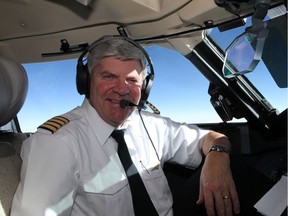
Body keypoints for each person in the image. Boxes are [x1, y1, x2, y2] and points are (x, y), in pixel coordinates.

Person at [11, 36, 241, 216]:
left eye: (132, 80)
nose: (122, 89)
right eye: (109, 77)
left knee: (240, 176)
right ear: (86, 82)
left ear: (144, 89)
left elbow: (210, 138)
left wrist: (218, 156)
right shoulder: (56, 143)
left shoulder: (151, 125)